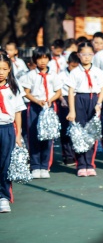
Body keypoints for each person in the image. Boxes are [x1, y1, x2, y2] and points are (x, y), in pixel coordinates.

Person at [66, 42, 103, 177]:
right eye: (83, 54)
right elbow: (71, 91)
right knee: (79, 133)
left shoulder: (97, 71)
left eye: (89, 54)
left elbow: (102, 89)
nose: (86, 57)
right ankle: (81, 165)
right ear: (78, 55)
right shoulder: (74, 72)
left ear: (93, 55)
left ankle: (89, 164)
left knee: (91, 133)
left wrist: (99, 103)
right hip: (79, 99)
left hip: (93, 100)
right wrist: (72, 110)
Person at [21, 46, 62, 179]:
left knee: (48, 136)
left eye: (45, 58)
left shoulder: (53, 75)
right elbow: (26, 92)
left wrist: (50, 100)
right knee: (33, 136)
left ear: (49, 59)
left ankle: (45, 166)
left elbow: (58, 92)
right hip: (34, 107)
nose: (42, 61)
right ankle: (35, 166)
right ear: (35, 60)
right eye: (39, 58)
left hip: (49, 107)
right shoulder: (30, 75)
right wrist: (37, 101)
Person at [0, 54, 25, 213]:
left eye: (4, 69)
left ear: (9, 69)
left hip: (7, 129)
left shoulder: (14, 88)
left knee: (5, 164)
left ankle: (3, 197)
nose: (1, 72)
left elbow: (17, 113)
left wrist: (18, 135)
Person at [57, 53, 80, 167]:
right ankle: (68, 155)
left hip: (78, 98)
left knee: (78, 127)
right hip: (65, 99)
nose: (74, 69)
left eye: (76, 66)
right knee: (66, 128)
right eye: (72, 66)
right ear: (68, 63)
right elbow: (58, 89)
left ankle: (78, 153)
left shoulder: (80, 73)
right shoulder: (61, 75)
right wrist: (62, 99)